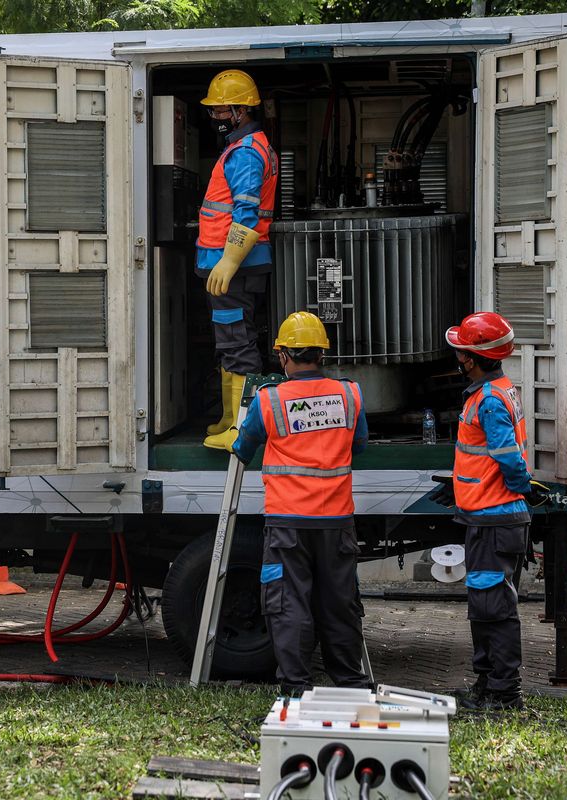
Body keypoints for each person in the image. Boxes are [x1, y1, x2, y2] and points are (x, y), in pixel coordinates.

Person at [232, 311, 371, 696]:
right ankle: (350, 684)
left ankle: (295, 687)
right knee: (340, 602)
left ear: (283, 357)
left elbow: (242, 449)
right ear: (322, 355)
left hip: (287, 522)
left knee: (288, 604)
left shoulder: (269, 400)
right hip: (337, 520)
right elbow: (358, 444)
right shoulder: (349, 394)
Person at [436, 311, 541, 710]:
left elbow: (507, 458)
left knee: (494, 608)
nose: (458, 357)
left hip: (497, 518)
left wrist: (517, 488)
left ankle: (504, 692)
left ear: (472, 358)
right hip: (486, 516)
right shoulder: (496, 390)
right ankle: (488, 686)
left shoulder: (490, 400)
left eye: (462, 351)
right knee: (485, 605)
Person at [197, 68, 279, 451]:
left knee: (239, 342)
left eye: (219, 110)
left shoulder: (247, 152)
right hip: (229, 262)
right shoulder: (245, 146)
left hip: (234, 264)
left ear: (240, 110)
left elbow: (245, 212)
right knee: (231, 340)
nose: (214, 116)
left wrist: (228, 261)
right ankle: (233, 418)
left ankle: (243, 428)